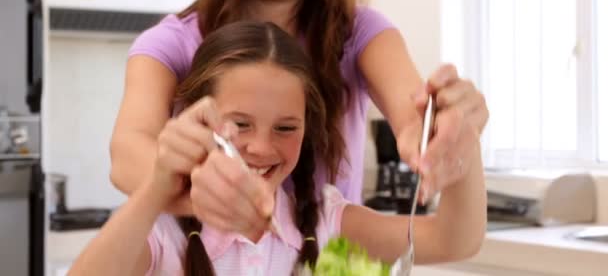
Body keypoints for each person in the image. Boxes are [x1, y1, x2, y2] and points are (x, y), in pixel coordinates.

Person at [110, 0, 489, 235]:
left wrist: (441, 130)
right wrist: (199, 189)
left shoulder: (361, 34)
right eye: (241, 124)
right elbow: (128, 152)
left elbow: (415, 115)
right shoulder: (169, 44)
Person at [70, 21, 486, 275]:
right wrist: (157, 190)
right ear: (197, 119)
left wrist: (459, 135)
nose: (261, 146)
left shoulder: (326, 221)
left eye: (286, 127)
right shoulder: (163, 232)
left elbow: (455, 240)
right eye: (239, 125)